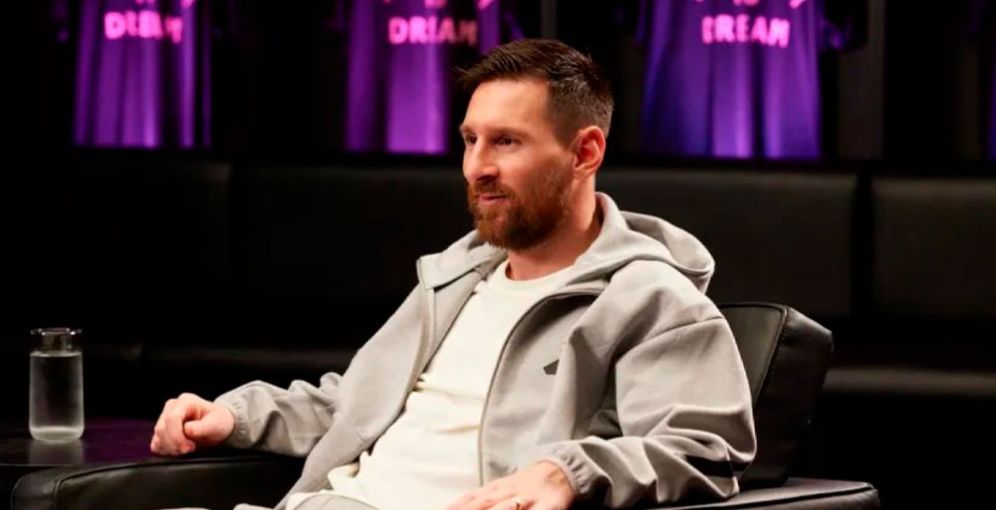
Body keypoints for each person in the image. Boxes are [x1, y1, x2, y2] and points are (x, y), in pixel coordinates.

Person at [151, 38, 756, 510]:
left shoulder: (649, 297)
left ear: (585, 152)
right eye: (470, 140)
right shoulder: (456, 277)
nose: (476, 167)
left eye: (507, 142)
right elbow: (357, 406)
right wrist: (237, 416)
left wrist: (565, 473)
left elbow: (703, 448)